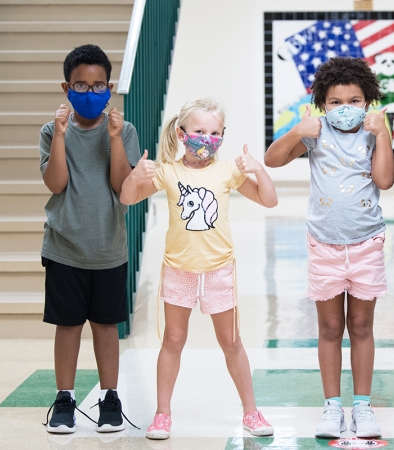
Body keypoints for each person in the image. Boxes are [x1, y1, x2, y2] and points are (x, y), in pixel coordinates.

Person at [119, 98, 279, 439]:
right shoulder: (167, 171)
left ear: (222, 136)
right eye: (199, 131)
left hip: (219, 270)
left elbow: (269, 199)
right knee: (173, 340)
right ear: (181, 134)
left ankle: (251, 412)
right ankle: (162, 414)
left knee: (231, 341)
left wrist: (258, 169)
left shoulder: (227, 172)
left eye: (215, 132)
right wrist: (135, 176)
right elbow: (127, 198)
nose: (207, 138)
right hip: (179, 270)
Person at [264, 57, 394, 439]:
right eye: (336, 102)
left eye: (355, 100)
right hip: (324, 244)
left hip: (367, 242)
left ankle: (363, 406)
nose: (346, 109)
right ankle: (332, 406)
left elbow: (385, 180)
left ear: (368, 101)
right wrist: (296, 130)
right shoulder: (315, 132)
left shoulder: (373, 133)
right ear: (322, 104)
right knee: (330, 327)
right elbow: (272, 159)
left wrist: (383, 134)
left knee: (360, 325)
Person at [40, 44, 141, 434]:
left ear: (110, 88)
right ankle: (64, 398)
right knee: (67, 326)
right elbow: (57, 182)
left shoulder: (125, 130)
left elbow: (121, 186)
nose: (89, 92)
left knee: (105, 326)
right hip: (64, 247)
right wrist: (62, 136)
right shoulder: (51, 131)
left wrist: (115, 138)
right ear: (66, 87)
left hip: (108, 248)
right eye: (80, 85)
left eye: (97, 85)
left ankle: (109, 398)